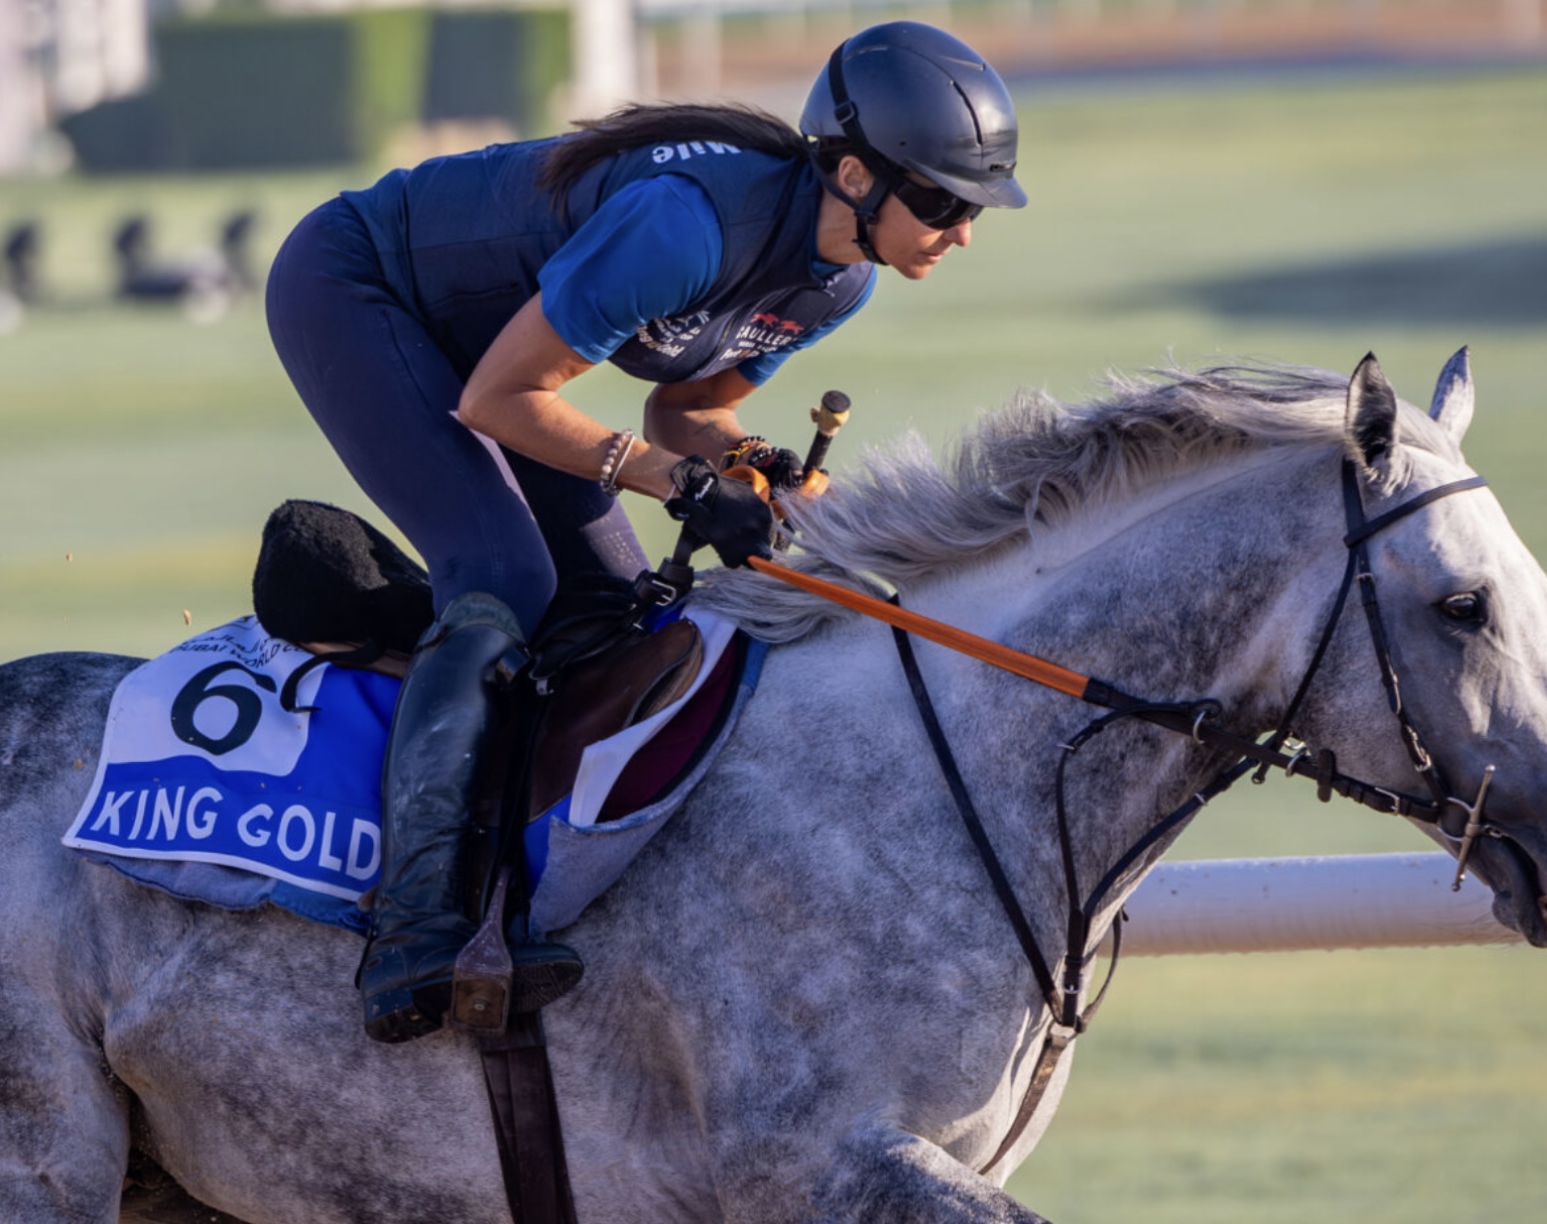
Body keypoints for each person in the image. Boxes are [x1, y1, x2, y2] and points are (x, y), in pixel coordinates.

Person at [264, 21, 1027, 1043]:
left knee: (624, 620)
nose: (961, 231)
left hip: (509, 354)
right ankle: (412, 930)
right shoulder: (685, 227)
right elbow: (501, 399)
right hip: (362, 290)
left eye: (970, 206)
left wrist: (755, 466)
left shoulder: (839, 279)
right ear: (853, 173)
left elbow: (685, 411)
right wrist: (675, 483)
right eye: (940, 201)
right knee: (500, 576)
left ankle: (525, 883)